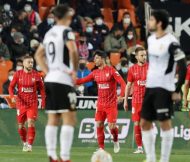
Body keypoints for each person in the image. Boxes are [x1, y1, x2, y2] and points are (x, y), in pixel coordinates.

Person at [34, 5, 79, 162]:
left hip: (51, 79)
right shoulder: (67, 32)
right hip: (63, 80)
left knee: (53, 118)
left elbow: (38, 55)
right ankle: (65, 157)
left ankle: (52, 156)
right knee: (69, 118)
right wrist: (74, 69)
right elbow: (73, 50)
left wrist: (48, 72)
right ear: (66, 16)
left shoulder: (49, 33)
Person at [141, 10, 186, 162]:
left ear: (159, 23)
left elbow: (183, 65)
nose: (149, 22)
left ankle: (164, 159)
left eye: (152, 20)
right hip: (150, 87)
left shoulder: (172, 42)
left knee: (164, 123)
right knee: (144, 123)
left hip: (164, 88)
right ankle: (150, 158)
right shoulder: (150, 39)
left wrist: (177, 89)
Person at [76, 50, 126, 152]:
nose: (95, 61)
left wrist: (121, 96)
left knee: (112, 127)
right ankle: (101, 148)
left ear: (102, 59)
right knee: (99, 124)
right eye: (94, 59)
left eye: (96, 58)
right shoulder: (95, 73)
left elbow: (123, 83)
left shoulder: (112, 71)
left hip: (111, 104)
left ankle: (116, 141)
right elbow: (81, 81)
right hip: (100, 104)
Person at [8, 55, 45, 152]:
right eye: (29, 62)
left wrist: (43, 102)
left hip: (32, 103)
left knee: (30, 123)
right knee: (20, 126)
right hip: (21, 104)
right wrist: (12, 97)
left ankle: (29, 145)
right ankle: (24, 143)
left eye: (32, 62)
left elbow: (42, 89)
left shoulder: (37, 75)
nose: (31, 64)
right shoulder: (17, 74)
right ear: (24, 63)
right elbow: (11, 87)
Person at [123, 46, 148, 154]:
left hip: (148, 100)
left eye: (145, 55)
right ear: (137, 57)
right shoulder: (132, 69)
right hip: (136, 100)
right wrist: (125, 100)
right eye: (142, 55)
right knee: (137, 123)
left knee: (147, 123)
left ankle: (149, 146)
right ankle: (139, 147)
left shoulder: (151, 68)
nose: (144, 57)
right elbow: (128, 86)